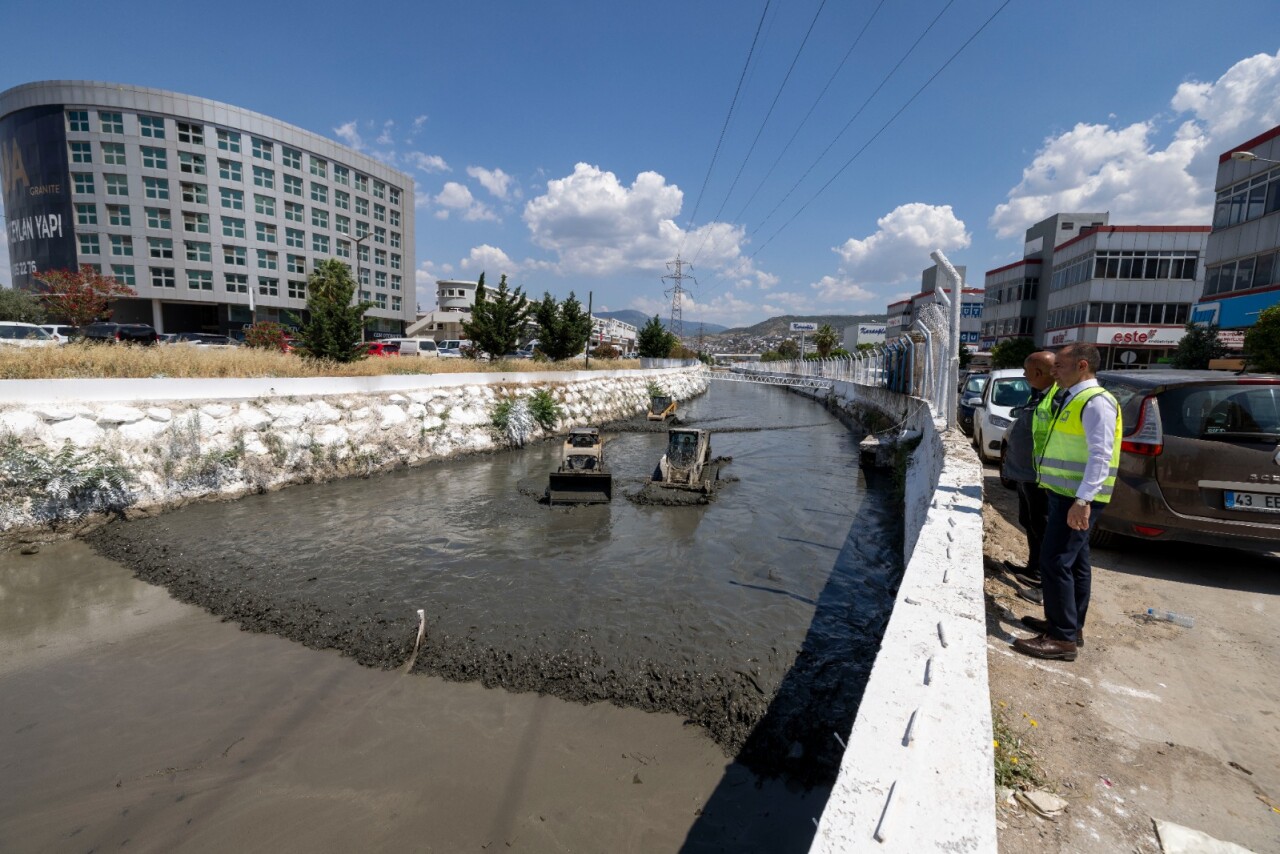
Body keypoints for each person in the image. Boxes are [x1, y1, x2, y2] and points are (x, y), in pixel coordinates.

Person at [1013, 342, 1121, 662]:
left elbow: (1101, 456)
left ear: (1082, 365)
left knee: (1055, 561)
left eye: (1060, 365)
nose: (1054, 370)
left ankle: (1061, 639)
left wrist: (1083, 500)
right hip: (1067, 493)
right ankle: (1069, 626)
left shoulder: (1096, 402)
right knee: (1074, 561)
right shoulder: (1075, 397)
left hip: (1077, 496)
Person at [999, 351, 1055, 604]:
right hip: (1026, 473)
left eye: (1027, 371)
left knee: (1043, 527)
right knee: (1029, 520)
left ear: (1039, 373)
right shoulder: (1038, 396)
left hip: (1040, 476)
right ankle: (1033, 568)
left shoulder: (1055, 399)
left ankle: (1044, 580)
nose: (1024, 375)